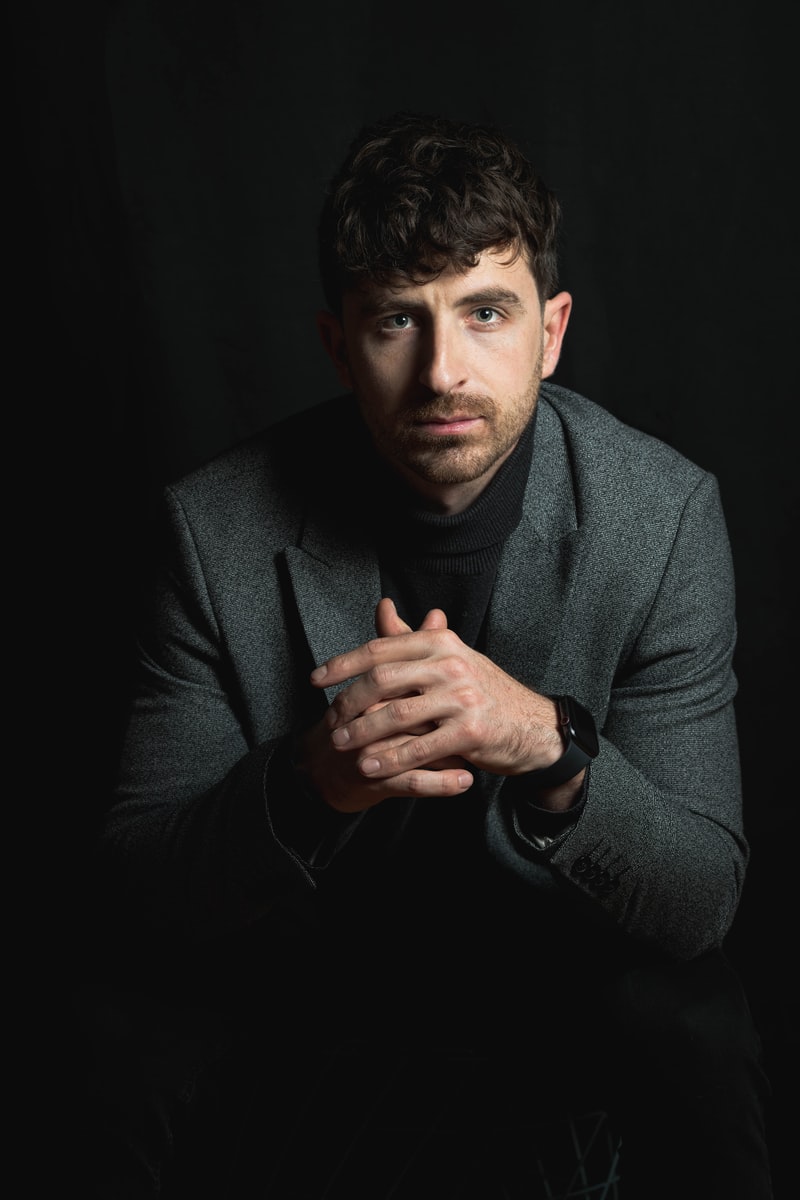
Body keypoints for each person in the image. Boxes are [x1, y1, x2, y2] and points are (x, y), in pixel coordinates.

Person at [78, 110, 774, 1198]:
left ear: (549, 331)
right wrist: (312, 783)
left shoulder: (663, 515)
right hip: (313, 960)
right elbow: (138, 886)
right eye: (396, 321)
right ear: (337, 345)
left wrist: (547, 743)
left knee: (697, 1018)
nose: (442, 371)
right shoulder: (210, 529)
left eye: (483, 314)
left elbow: (697, 903)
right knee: (115, 1031)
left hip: (554, 958)